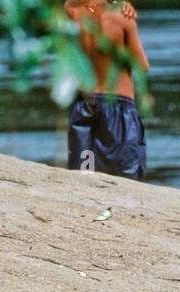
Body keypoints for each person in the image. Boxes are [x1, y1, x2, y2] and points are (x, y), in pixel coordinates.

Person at [64, 0, 149, 180]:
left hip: (84, 106)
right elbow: (142, 66)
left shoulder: (72, 10)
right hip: (118, 107)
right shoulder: (124, 17)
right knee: (126, 178)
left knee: (83, 175)